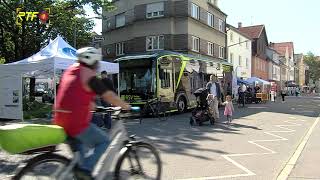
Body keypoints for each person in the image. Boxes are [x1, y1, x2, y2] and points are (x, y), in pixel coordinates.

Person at [53, 47, 131, 179]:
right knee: (104, 141)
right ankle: (86, 171)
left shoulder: (70, 71)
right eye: (97, 63)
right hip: (76, 124)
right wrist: (126, 106)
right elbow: (109, 96)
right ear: (93, 61)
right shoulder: (89, 76)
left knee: (80, 159)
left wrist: (95, 107)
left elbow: (76, 95)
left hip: (59, 120)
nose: (98, 66)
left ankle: (79, 171)